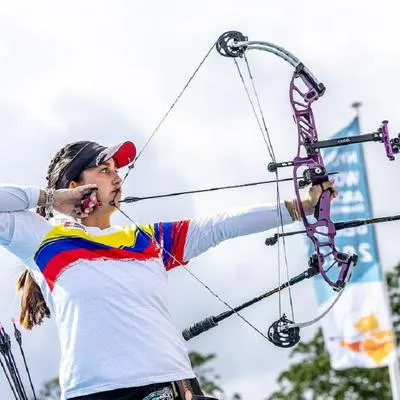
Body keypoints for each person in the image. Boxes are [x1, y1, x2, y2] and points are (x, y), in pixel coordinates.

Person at [0, 140, 337, 400]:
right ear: (74, 184)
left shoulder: (145, 239)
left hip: (172, 385)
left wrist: (302, 206)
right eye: (104, 170)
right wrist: (49, 199)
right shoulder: (43, 238)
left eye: (117, 169)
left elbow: (219, 226)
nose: (117, 176)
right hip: (95, 391)